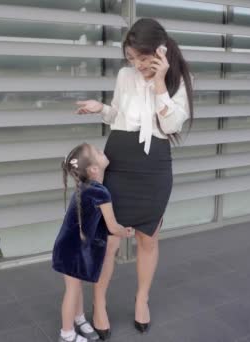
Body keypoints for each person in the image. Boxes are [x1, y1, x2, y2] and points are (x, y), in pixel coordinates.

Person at [75, 18, 194, 336]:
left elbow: (170, 127)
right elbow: (118, 113)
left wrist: (159, 83)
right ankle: (99, 305)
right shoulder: (125, 75)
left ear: (159, 51)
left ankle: (142, 300)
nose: (136, 65)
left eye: (142, 59)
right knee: (109, 240)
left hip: (154, 165)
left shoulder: (176, 80)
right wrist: (100, 107)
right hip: (120, 158)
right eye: (131, 59)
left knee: (148, 239)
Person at [52, 142, 134, 342]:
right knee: (72, 290)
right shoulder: (100, 192)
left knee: (76, 286)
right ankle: (67, 334)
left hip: (70, 247)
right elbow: (113, 227)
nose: (102, 151)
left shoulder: (87, 187)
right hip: (72, 250)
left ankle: (79, 319)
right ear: (94, 169)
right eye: (98, 152)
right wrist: (126, 232)